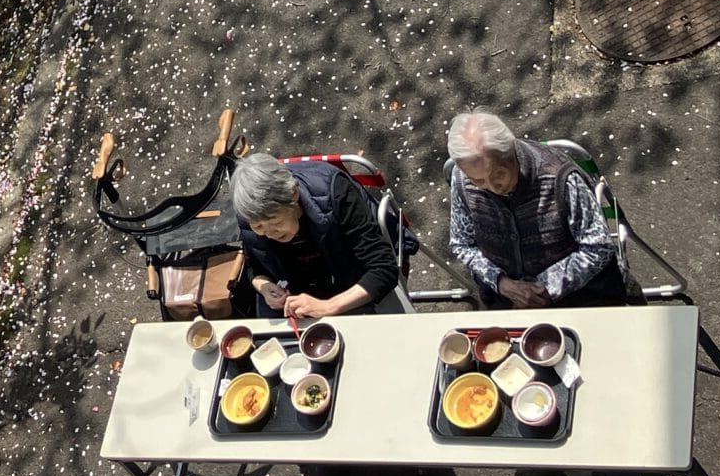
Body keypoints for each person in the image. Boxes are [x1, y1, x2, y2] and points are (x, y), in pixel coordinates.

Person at [445, 110, 627, 306]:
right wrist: (501, 283)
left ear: (512, 152)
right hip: (505, 298)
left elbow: (598, 247)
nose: (492, 187)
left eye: (498, 174)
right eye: (478, 180)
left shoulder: (561, 178)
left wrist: (542, 288)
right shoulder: (461, 179)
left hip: (579, 296)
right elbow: (462, 244)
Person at [231, 149, 402, 323]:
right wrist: (264, 286)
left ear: (294, 193)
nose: (269, 233)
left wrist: (328, 307)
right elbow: (254, 265)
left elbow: (384, 269)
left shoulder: (335, 193)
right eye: (258, 226)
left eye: (276, 221)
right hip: (297, 296)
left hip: (350, 284)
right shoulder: (249, 214)